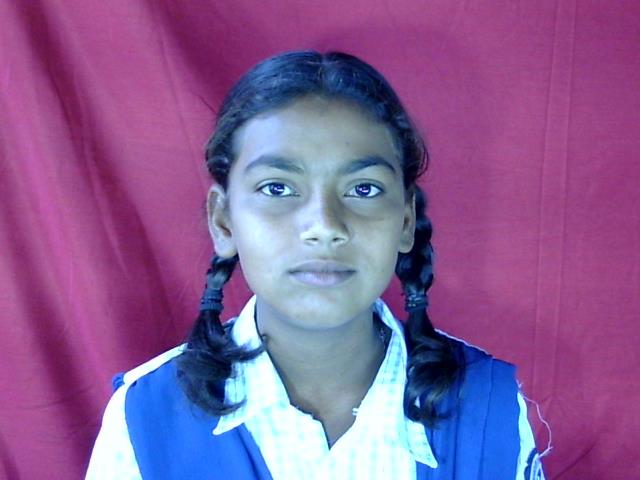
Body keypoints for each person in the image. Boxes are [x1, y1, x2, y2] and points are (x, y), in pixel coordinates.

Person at [86, 50, 547, 479]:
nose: (324, 226)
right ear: (223, 221)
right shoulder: (145, 417)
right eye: (277, 188)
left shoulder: (490, 408)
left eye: (363, 189)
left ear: (406, 221)